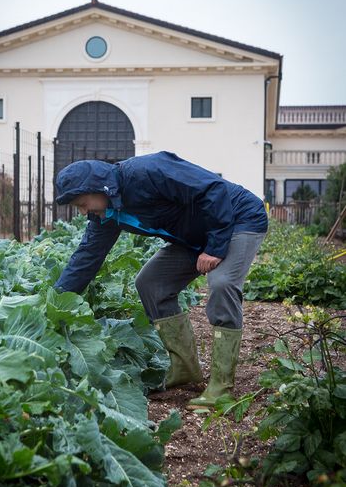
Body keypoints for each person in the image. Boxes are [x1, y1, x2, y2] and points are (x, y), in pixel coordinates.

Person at [54, 151, 267, 408]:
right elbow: (86, 258)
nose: (83, 211)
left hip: (237, 219)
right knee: (151, 283)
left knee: (222, 283)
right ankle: (185, 369)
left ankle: (222, 387)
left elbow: (213, 190)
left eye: (82, 203)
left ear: (98, 187)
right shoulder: (108, 214)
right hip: (195, 237)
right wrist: (54, 304)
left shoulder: (147, 171)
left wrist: (215, 247)